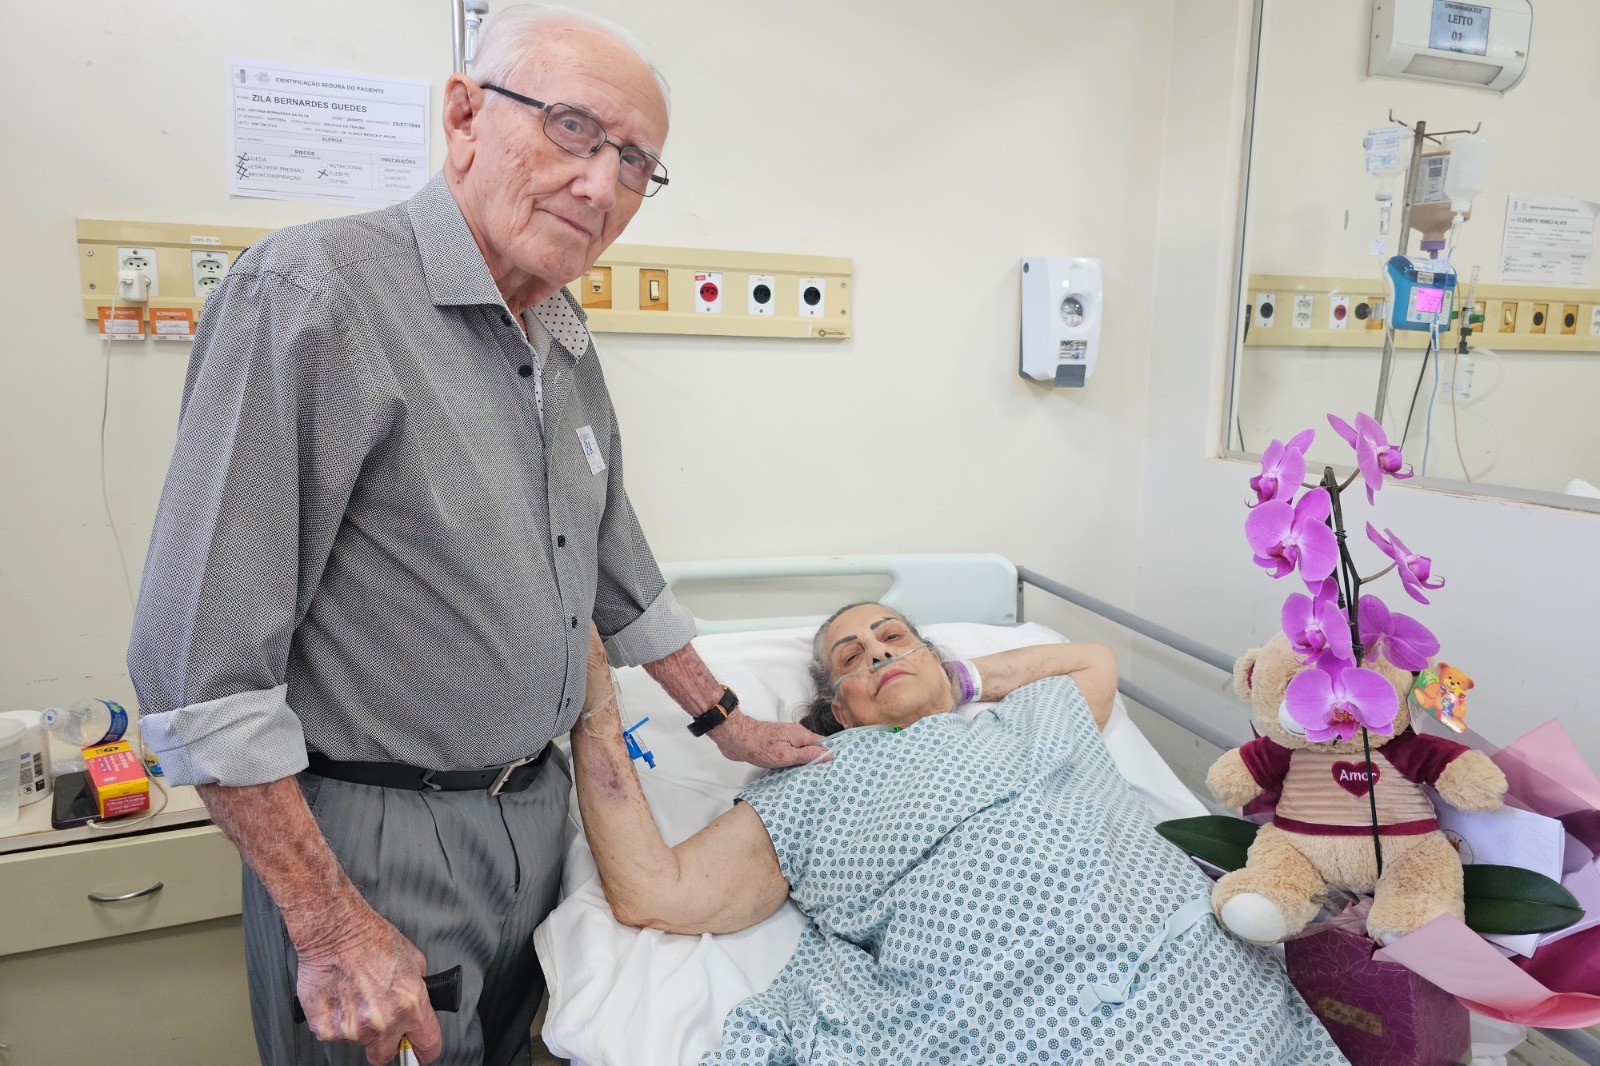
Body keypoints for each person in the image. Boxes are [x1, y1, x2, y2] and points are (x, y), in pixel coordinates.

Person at [125, 8, 824, 1065]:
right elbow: (199, 669)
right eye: (575, 130)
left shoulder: (562, 338)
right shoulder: (315, 297)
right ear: (463, 115)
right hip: (373, 833)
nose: (602, 185)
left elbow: (614, 561)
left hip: (539, 816)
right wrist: (329, 924)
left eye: (636, 162)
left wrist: (727, 721)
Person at [572, 604, 1348, 1064]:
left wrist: (959, 679)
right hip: (1003, 1000)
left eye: (894, 638)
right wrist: (596, 709)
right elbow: (654, 892)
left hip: (1181, 972)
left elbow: (1094, 661)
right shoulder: (811, 776)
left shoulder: (1031, 717)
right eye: (853, 656)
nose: (877, 650)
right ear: (836, 708)